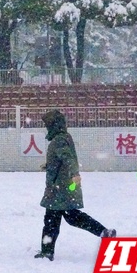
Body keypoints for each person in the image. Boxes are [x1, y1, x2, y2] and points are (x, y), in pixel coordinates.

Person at [35, 110, 115, 261]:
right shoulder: (64, 137)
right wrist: (49, 165)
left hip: (59, 188)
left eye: (48, 124)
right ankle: (104, 232)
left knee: (52, 220)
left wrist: (74, 174)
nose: (46, 127)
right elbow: (63, 159)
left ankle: (47, 252)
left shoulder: (59, 140)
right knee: (72, 216)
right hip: (63, 186)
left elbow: (68, 158)